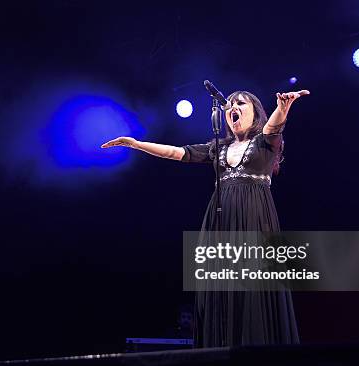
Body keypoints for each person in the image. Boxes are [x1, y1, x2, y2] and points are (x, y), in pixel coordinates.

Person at [101, 89, 310, 348]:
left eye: (240, 103)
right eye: (229, 105)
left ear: (255, 111)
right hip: (219, 220)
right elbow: (176, 152)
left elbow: (274, 126)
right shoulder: (218, 148)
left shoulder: (264, 142)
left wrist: (283, 108)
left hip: (254, 218)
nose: (233, 107)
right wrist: (136, 144)